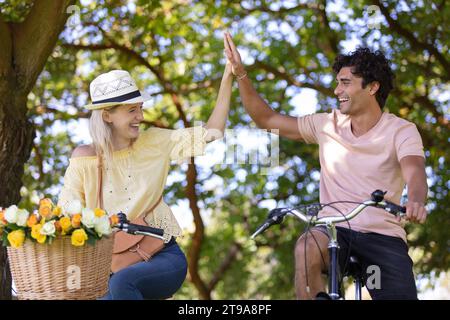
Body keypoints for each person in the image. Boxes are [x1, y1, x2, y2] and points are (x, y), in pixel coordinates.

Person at [224, 32, 427, 300]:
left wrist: (415, 201)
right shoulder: (326, 124)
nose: (336, 91)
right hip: (335, 232)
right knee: (307, 245)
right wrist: (240, 74)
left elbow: (414, 171)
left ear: (372, 87)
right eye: (337, 83)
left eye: (345, 83)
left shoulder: (401, 130)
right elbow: (267, 118)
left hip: (381, 239)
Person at [57, 48, 233, 299]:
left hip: (161, 255)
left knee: (120, 286)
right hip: (110, 266)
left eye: (140, 108)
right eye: (131, 111)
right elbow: (66, 217)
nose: (140, 117)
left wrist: (227, 76)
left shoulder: (155, 142)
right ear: (107, 116)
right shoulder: (84, 159)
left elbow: (213, 132)